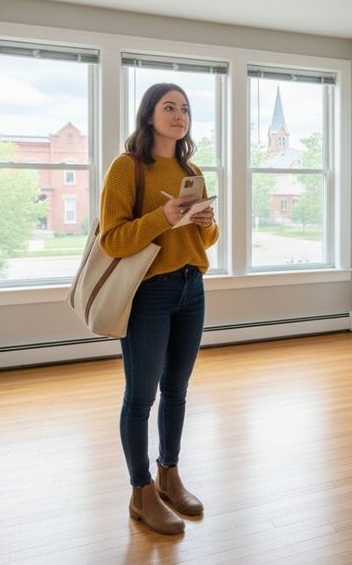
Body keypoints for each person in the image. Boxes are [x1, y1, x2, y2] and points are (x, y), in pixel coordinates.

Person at [99, 82, 219, 535]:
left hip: (192, 288)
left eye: (185, 108)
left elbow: (202, 240)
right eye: (169, 107)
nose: (179, 115)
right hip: (149, 293)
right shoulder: (128, 168)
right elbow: (113, 239)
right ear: (149, 114)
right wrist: (161, 219)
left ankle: (169, 474)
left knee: (178, 390)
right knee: (140, 396)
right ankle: (141, 491)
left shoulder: (191, 170)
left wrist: (206, 224)